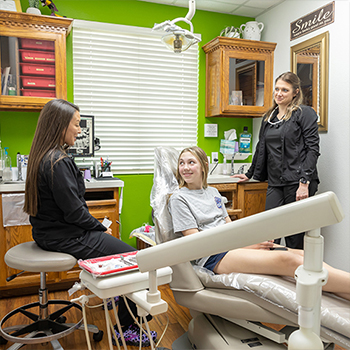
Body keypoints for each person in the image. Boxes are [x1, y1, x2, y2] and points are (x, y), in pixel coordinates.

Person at [23, 99, 156, 347]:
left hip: (47, 233)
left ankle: (119, 295)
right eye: (76, 124)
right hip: (66, 235)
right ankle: (127, 327)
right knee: (136, 260)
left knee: (119, 252)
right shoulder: (58, 162)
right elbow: (75, 214)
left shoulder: (42, 155)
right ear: (60, 125)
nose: (79, 130)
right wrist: (100, 227)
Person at [168, 146, 350, 301]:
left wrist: (249, 241)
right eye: (181, 163)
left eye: (191, 162)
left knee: (305, 255)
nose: (185, 167)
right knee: (288, 260)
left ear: (203, 166)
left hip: (232, 245)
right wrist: (246, 245)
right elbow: (195, 242)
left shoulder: (213, 193)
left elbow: (229, 226)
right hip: (213, 255)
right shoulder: (178, 198)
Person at [234, 72, 320, 249]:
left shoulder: (304, 113)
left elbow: (313, 149)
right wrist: (249, 174)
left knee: (293, 236)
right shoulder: (269, 118)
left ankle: (293, 275)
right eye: (277, 89)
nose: (279, 93)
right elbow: (261, 147)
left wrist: (304, 183)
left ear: (295, 92)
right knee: (269, 233)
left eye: (285, 90)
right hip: (275, 182)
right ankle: (273, 274)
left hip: (297, 181)